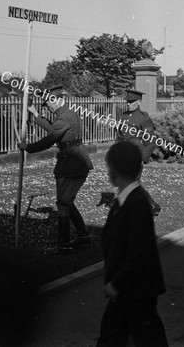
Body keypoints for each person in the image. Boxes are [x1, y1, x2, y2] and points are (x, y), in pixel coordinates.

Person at [97, 141, 168, 347]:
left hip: (137, 289)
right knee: (112, 336)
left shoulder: (136, 203)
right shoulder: (124, 200)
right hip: (126, 289)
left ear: (113, 171)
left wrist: (116, 283)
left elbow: (139, 250)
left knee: (148, 339)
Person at [18, 85, 93, 255]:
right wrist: (36, 114)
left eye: (48, 104)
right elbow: (55, 130)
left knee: (63, 204)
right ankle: (83, 236)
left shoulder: (64, 117)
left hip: (71, 165)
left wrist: (26, 147)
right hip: (74, 163)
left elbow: (49, 139)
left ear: (56, 100)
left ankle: (64, 244)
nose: (48, 108)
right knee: (67, 202)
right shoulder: (66, 114)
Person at [116, 89, 161, 216]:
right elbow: (119, 137)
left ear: (139, 102)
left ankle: (147, 206)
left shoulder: (143, 118)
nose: (129, 104)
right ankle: (149, 206)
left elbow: (151, 141)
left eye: (131, 102)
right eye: (127, 102)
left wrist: (143, 157)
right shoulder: (124, 116)